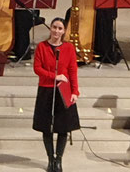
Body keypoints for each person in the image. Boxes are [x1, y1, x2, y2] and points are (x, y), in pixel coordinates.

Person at [32, 17, 80, 172]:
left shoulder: (69, 48)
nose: (56, 31)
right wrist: (54, 76)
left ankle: (58, 159)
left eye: (60, 28)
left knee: (63, 127)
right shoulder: (42, 46)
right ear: (50, 28)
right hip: (46, 89)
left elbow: (72, 70)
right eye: (54, 27)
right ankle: (50, 159)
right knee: (46, 127)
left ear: (64, 31)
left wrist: (75, 91)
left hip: (63, 90)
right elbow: (37, 68)